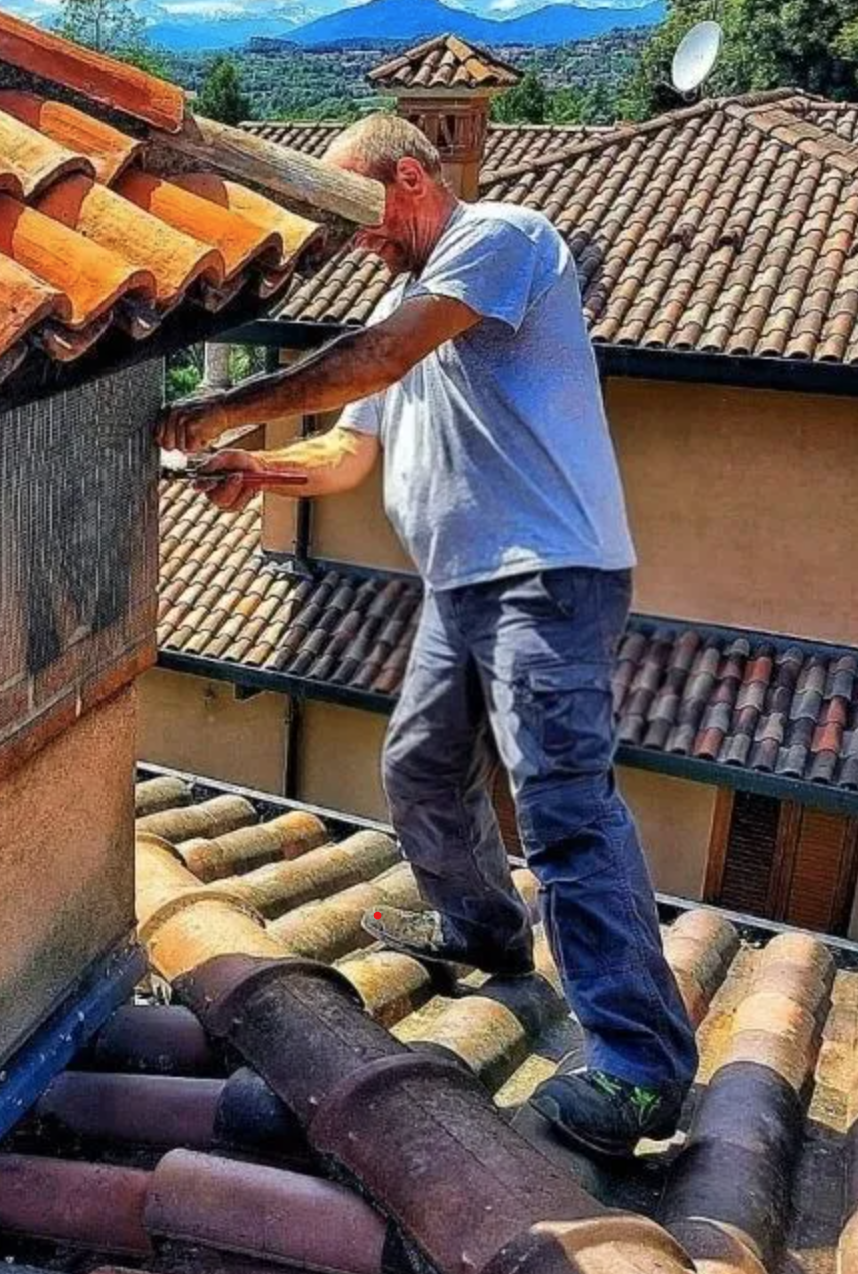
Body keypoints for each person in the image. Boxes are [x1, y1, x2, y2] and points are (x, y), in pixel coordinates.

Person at [158, 114, 698, 1160]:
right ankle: (484, 933)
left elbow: (375, 360)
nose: (359, 241)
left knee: (563, 807)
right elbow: (342, 452)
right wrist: (256, 467)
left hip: (551, 574)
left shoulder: (503, 236)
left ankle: (640, 1071)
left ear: (410, 179)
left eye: (362, 217)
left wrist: (226, 407)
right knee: (420, 767)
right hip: (464, 587)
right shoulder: (401, 300)